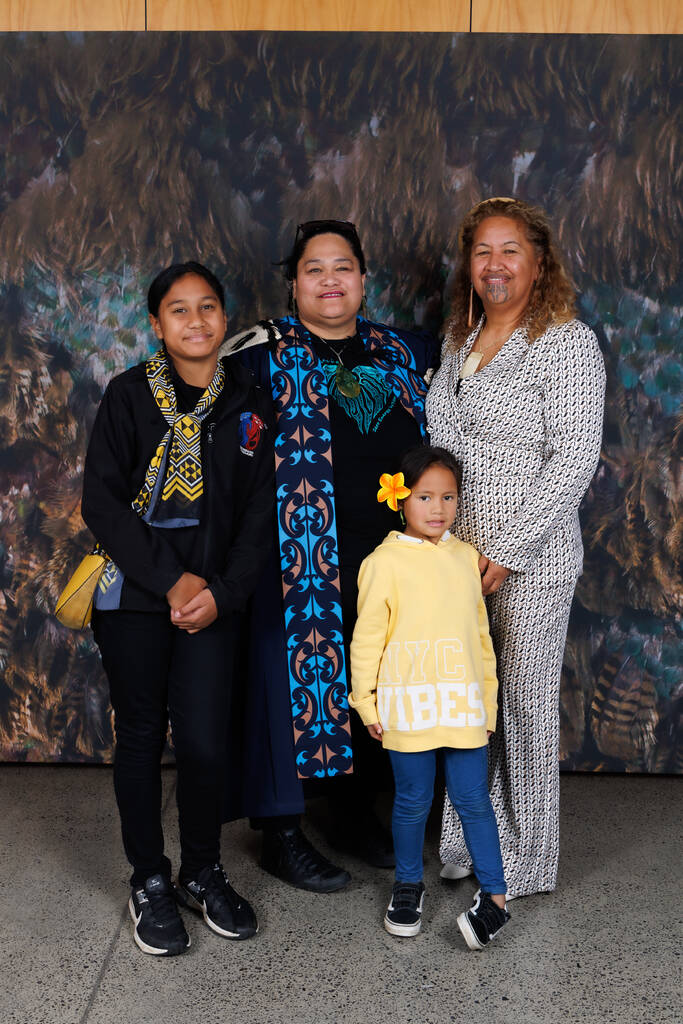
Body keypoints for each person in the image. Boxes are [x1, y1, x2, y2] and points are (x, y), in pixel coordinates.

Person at [220, 220, 438, 892]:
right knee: (284, 686)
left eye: (342, 267)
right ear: (293, 284)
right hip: (296, 554)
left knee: (371, 678)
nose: (330, 280)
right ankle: (280, 834)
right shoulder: (257, 353)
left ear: (363, 279)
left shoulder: (402, 351)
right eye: (314, 269)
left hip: (389, 555)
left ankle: (348, 809)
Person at [82, 262, 274, 955]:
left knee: (202, 740)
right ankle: (149, 880)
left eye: (208, 308)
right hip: (135, 595)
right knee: (139, 733)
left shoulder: (250, 403)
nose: (196, 322)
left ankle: (201, 869)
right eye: (178, 310)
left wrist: (220, 592)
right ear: (157, 325)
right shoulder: (128, 396)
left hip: (213, 598)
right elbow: (100, 502)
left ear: (224, 318)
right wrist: (172, 583)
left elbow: (259, 515)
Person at [426, 197, 606, 899]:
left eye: (509, 252)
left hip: (528, 558)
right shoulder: (457, 338)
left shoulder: (565, 342)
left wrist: (504, 550)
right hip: (456, 556)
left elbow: (573, 459)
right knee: (468, 704)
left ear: (538, 263)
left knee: (524, 708)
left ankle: (527, 858)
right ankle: (468, 844)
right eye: (481, 252)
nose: (493, 265)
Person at [349, 446, 510, 948]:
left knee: (472, 800)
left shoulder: (466, 559)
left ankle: (497, 898)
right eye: (425, 496)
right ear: (401, 499)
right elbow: (367, 638)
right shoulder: (382, 563)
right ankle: (407, 885)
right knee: (413, 801)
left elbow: (481, 639)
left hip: (462, 704)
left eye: (448, 497)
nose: (437, 508)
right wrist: (366, 702)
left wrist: (489, 701)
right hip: (408, 706)